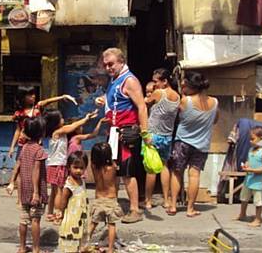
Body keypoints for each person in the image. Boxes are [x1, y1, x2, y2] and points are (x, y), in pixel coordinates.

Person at [95, 47, 148, 223]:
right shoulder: (114, 80)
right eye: (106, 65)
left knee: (127, 171)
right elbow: (117, 99)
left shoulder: (130, 80)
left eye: (111, 64)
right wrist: (104, 99)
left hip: (126, 132)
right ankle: (114, 205)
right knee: (112, 169)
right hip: (113, 132)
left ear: (121, 61)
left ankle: (134, 209)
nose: (108, 68)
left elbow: (141, 106)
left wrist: (145, 131)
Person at [6, 88, 76, 194]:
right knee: (20, 168)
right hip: (23, 143)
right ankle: (16, 191)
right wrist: (12, 147)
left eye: (33, 94)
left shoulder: (37, 108)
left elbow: (49, 101)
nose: (33, 96)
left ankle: (36, 192)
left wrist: (62, 96)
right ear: (23, 97)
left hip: (36, 143)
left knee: (37, 168)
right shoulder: (19, 113)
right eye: (30, 95)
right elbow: (18, 130)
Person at [169, 71, 219, 218]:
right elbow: (215, 120)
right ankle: (190, 208)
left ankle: (172, 205)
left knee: (177, 173)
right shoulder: (214, 102)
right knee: (194, 175)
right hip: (202, 144)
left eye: (184, 83)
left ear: (191, 86)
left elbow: (175, 116)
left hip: (182, 142)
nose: (182, 86)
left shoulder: (186, 101)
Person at [44, 109, 97, 221]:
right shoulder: (58, 132)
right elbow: (73, 126)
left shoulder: (58, 133)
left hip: (53, 164)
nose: (63, 119)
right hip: (58, 164)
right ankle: (58, 215)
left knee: (54, 191)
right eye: (61, 118)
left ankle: (50, 213)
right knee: (59, 191)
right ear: (56, 122)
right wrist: (86, 118)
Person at [144, 68, 180, 211]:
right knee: (165, 166)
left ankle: (148, 201)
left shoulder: (159, 93)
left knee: (151, 168)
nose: (155, 84)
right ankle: (166, 200)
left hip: (153, 134)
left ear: (164, 81)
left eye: (156, 81)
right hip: (167, 135)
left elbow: (145, 102)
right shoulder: (177, 96)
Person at [17, 117, 48, 253]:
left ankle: (22, 247)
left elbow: (19, 166)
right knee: (35, 219)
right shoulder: (39, 150)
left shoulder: (24, 148)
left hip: (24, 188)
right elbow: (36, 171)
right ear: (41, 133)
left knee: (24, 219)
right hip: (36, 190)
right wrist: (36, 192)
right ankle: (36, 249)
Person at [89, 142, 123, 253]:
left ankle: (83, 243)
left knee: (93, 223)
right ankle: (110, 248)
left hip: (98, 198)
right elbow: (115, 165)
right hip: (111, 199)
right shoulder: (112, 167)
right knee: (111, 224)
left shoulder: (93, 167)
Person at [54, 151, 89, 253]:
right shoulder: (69, 185)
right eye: (76, 167)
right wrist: (60, 213)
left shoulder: (82, 181)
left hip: (81, 217)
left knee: (80, 242)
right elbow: (63, 201)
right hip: (71, 219)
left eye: (81, 168)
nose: (78, 170)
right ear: (69, 167)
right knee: (71, 243)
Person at [234, 126, 262, 227]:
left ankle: (257, 219)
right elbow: (249, 160)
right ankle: (242, 213)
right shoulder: (251, 150)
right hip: (248, 179)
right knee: (244, 198)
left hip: (258, 182)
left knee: (258, 201)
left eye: (253, 139)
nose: (250, 141)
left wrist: (251, 170)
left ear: (261, 138)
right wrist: (247, 165)